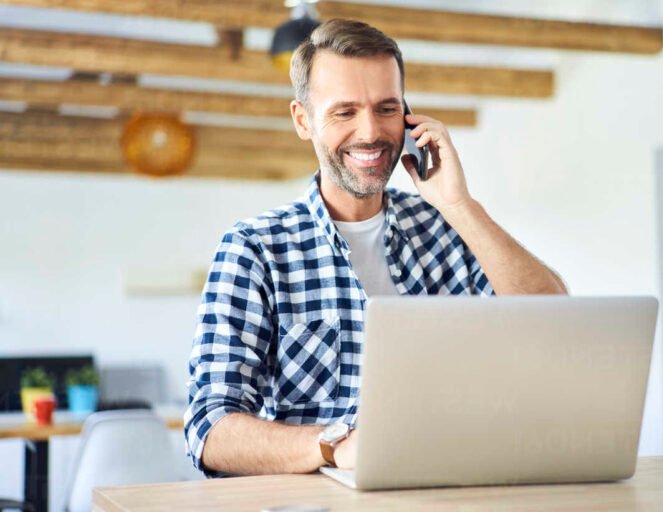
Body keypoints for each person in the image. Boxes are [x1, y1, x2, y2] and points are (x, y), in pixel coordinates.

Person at [184, 18, 566, 477]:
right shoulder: (256, 250)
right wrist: (335, 445)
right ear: (303, 120)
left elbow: (552, 322)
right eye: (344, 112)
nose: (370, 132)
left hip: (448, 490)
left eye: (386, 108)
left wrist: (458, 203)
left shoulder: (443, 228)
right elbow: (209, 429)